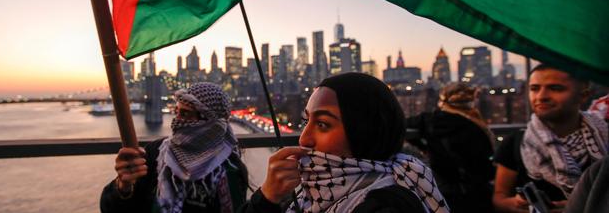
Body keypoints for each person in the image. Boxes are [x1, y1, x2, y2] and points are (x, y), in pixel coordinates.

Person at [241, 72, 450, 213]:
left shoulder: (384, 206)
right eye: (306, 121)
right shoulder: (312, 193)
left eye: (322, 124)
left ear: (364, 131)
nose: (304, 138)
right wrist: (268, 196)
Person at [100, 82, 249, 213]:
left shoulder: (229, 170)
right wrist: (123, 186)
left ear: (211, 123)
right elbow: (111, 208)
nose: (176, 121)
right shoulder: (155, 153)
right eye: (176, 112)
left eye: (185, 114)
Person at [493, 65, 608, 213]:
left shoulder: (604, 138)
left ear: (584, 95)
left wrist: (576, 206)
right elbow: (499, 198)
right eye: (534, 88)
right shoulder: (516, 142)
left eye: (555, 88)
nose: (541, 96)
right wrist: (518, 204)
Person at [406, 83, 495, 212]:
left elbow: (402, 125)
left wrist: (424, 146)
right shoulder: (477, 128)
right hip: (477, 196)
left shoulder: (430, 120)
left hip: (443, 194)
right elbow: (486, 169)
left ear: (443, 101)